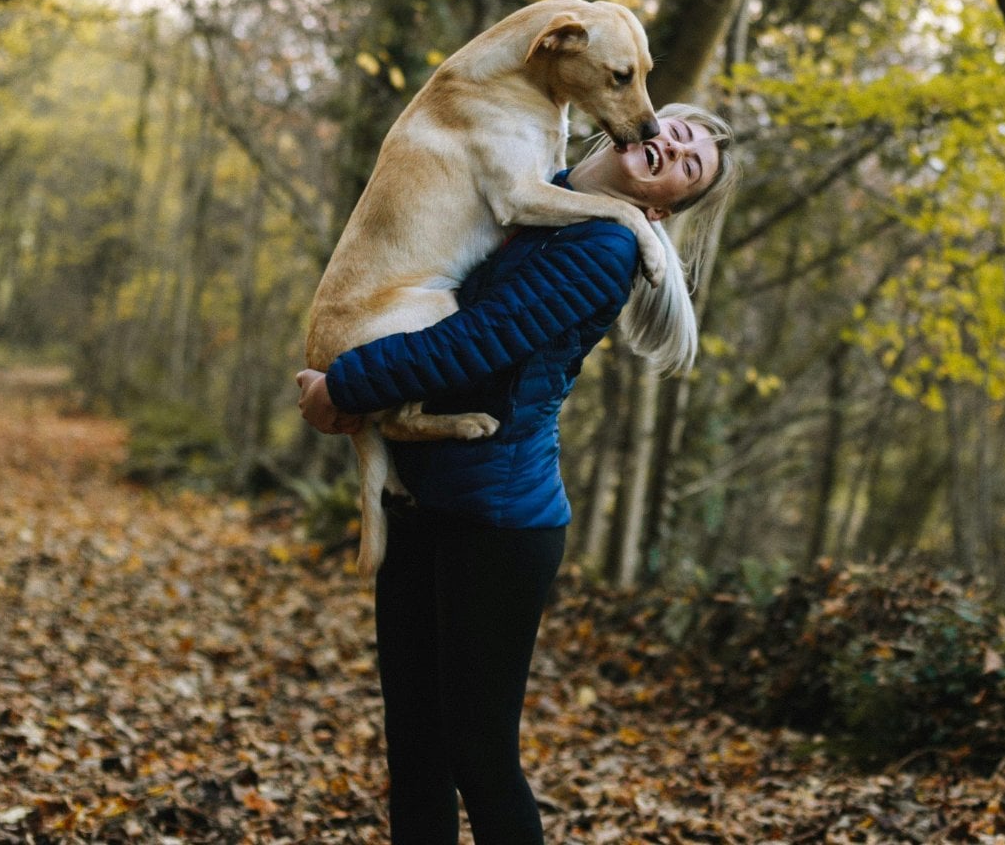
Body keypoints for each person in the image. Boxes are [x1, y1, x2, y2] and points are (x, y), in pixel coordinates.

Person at [295, 103, 737, 845]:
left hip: (499, 525)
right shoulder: (535, 196)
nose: (675, 149)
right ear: (635, 126)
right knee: (417, 750)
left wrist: (346, 386)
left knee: (479, 755)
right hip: (419, 501)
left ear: (661, 208)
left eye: (692, 167)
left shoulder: (602, 246)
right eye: (679, 131)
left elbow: (478, 343)